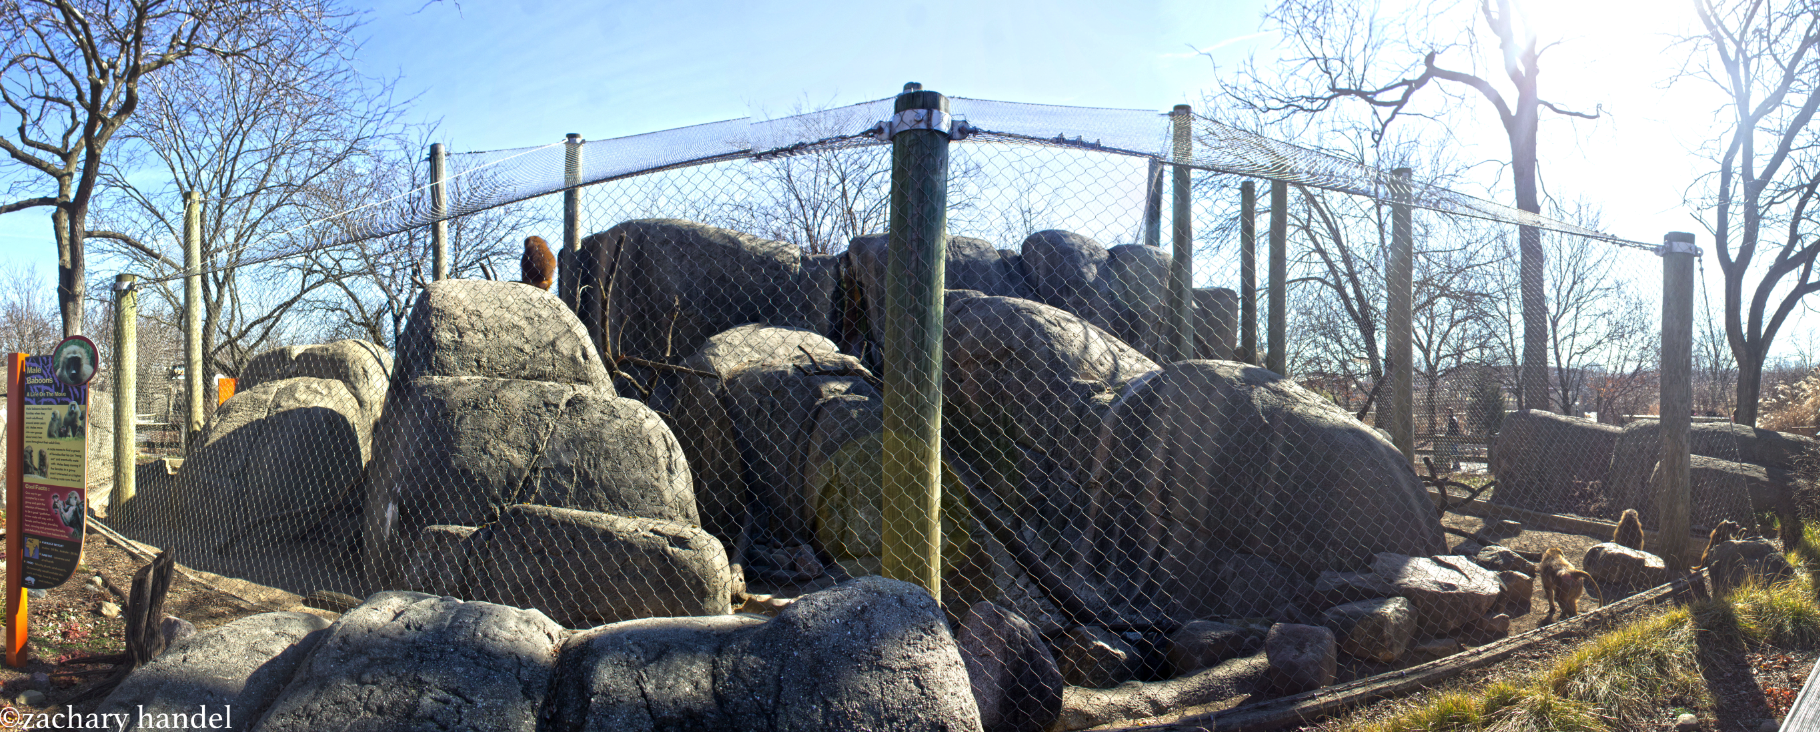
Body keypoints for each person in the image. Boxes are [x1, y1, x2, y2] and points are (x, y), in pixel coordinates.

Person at [1441, 407, 1464, 472]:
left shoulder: (1452, 419)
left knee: (1454, 450)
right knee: (1453, 450)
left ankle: (1456, 465)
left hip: (1453, 437)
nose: (1446, 413)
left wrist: (1448, 434)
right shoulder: (1453, 418)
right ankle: (1456, 465)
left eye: (1448, 412)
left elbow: (1452, 429)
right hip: (1453, 437)